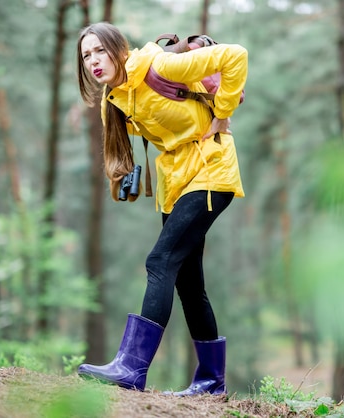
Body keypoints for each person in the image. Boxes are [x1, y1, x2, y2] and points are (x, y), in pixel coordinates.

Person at [75, 22, 247, 395]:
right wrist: (122, 176)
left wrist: (223, 111)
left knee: (160, 260)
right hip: (176, 183)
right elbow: (124, 145)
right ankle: (212, 382)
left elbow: (236, 56)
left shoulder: (159, 68)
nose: (93, 61)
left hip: (211, 171)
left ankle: (131, 367)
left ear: (119, 49)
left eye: (99, 51)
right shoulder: (115, 100)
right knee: (188, 282)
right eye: (86, 56)